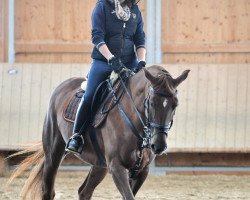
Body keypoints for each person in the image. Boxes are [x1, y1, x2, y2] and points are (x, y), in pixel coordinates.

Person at [65, 0, 146, 154]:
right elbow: (97, 37)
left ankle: (148, 135)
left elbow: (140, 39)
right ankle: (77, 136)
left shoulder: (135, 10)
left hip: (129, 61)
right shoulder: (102, 7)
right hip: (104, 61)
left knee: (145, 93)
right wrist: (111, 58)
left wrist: (141, 61)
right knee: (89, 95)